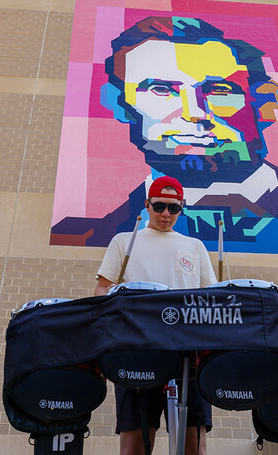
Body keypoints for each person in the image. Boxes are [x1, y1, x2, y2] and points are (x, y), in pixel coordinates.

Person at [54, 16, 278, 258]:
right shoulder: (83, 237)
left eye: (219, 90)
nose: (195, 113)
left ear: (266, 101)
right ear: (119, 105)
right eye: (160, 90)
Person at [94, 176, 217, 455]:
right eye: (160, 206)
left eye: (173, 208)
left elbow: (210, 298)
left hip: (187, 352)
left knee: (194, 448)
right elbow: (102, 290)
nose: (166, 214)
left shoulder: (194, 246)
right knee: (134, 448)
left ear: (181, 209)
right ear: (147, 205)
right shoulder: (125, 241)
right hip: (135, 349)